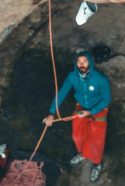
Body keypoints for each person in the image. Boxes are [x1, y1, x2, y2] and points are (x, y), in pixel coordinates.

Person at [43, 50, 111, 183]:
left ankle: (97, 164)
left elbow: (106, 100)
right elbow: (61, 94)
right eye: (79, 61)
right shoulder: (72, 77)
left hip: (98, 109)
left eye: (85, 61)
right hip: (81, 107)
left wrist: (91, 112)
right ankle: (83, 154)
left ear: (90, 63)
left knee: (97, 140)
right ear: (76, 63)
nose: (82, 64)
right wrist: (51, 113)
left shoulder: (101, 79)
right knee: (77, 135)